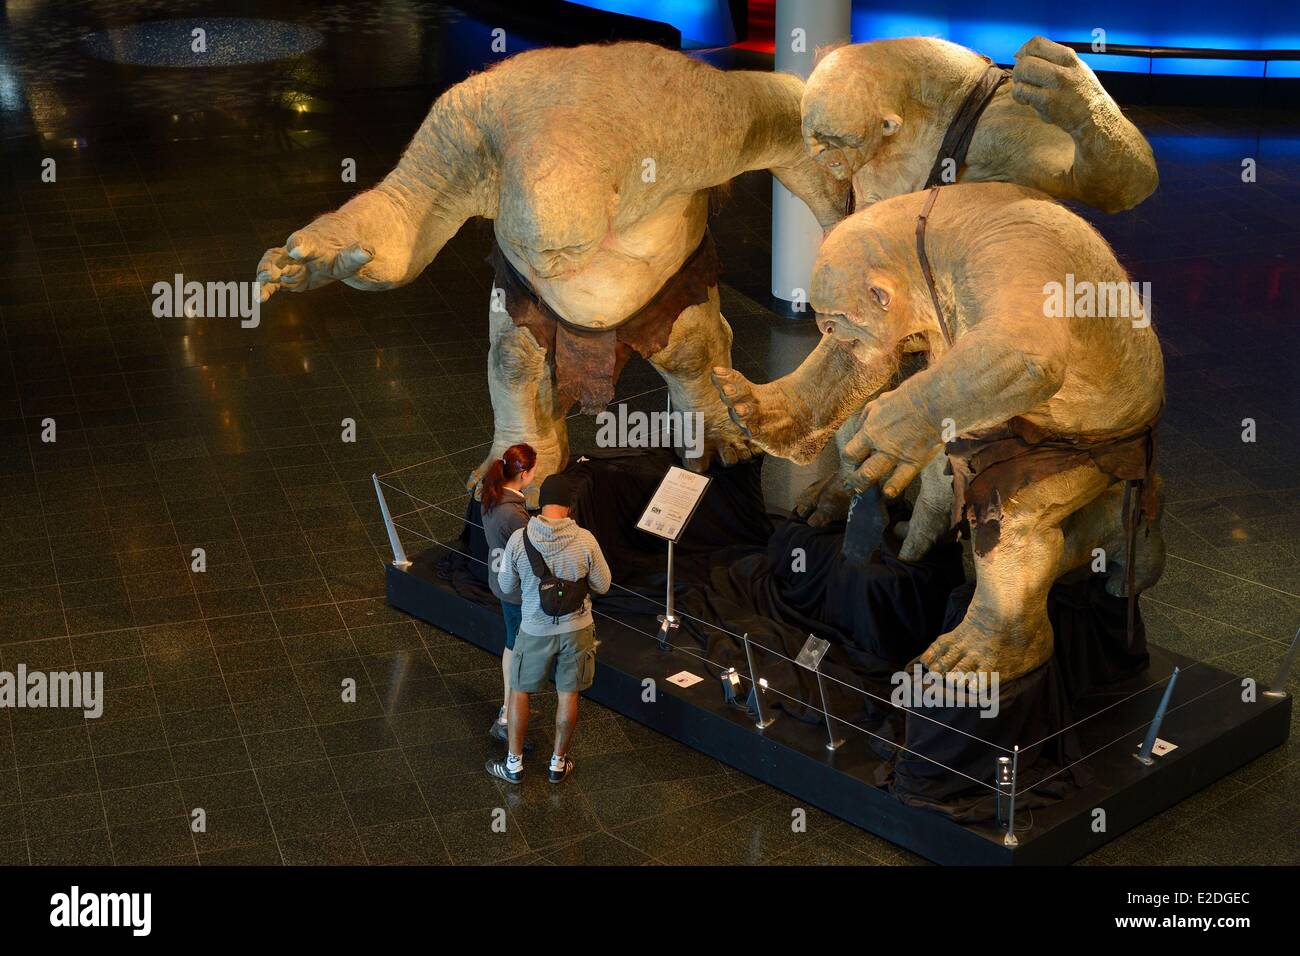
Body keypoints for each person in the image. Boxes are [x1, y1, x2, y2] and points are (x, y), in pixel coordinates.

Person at [488, 474, 611, 784]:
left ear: (540, 504)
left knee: (520, 692)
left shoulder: (520, 539)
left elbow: (505, 585)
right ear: (569, 507)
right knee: (568, 693)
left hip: (534, 629)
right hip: (578, 627)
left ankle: (513, 765)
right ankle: (558, 763)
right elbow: (603, 585)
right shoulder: (585, 540)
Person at [479, 443, 537, 744]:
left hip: (500, 580)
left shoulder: (490, 495)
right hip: (515, 589)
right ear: (525, 474)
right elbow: (529, 554)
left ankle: (511, 705)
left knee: (512, 644)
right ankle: (508, 714)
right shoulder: (514, 515)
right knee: (518, 648)